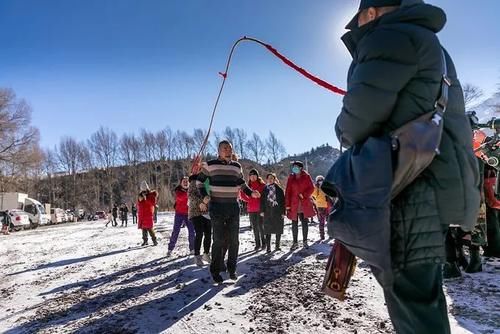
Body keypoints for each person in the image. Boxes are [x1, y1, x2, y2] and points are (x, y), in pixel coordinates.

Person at [335, 1, 480, 333]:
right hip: (430, 183)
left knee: (414, 309)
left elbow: (354, 123)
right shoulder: (432, 45)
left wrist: (342, 125)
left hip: (404, 190)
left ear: (369, 13)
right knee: (423, 300)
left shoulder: (388, 37)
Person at [197, 140, 260, 283]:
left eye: (230, 148)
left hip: (233, 206)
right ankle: (215, 270)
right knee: (218, 240)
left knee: (234, 241)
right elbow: (199, 182)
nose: (228, 150)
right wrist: (204, 196)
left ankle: (232, 269)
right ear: (218, 151)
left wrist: (251, 193)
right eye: (224, 148)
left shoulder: (237, 166)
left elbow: (241, 183)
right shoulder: (210, 165)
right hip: (216, 206)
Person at [285, 161, 315, 249]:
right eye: (293, 167)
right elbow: (287, 191)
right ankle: (295, 243)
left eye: (296, 167)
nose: (294, 168)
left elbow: (312, 188)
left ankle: (305, 241)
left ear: (301, 168)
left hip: (303, 203)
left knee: (304, 223)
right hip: (293, 203)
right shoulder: (291, 177)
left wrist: (304, 194)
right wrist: (287, 204)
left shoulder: (306, 176)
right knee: (294, 224)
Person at [189, 164, 212, 266]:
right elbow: (191, 196)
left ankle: (206, 253)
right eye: (199, 169)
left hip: (207, 211)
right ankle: (197, 256)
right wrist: (201, 202)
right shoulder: (193, 182)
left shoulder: (207, 180)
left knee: (208, 233)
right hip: (196, 211)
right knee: (199, 233)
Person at [167, 177, 195, 257]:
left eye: (187, 181)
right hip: (179, 214)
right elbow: (181, 197)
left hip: (189, 214)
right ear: (181, 183)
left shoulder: (192, 190)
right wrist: (189, 194)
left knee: (192, 231)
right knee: (176, 231)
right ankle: (170, 249)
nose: (186, 183)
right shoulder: (178, 190)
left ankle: (192, 248)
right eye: (184, 181)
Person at [240, 169, 267, 251]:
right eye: (251, 175)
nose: (253, 177)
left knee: (261, 227)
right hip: (251, 209)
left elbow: (266, 196)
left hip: (260, 209)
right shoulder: (247, 186)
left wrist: (260, 197)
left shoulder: (262, 185)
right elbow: (243, 196)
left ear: (257, 176)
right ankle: (257, 244)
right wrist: (250, 199)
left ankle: (264, 243)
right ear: (249, 177)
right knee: (254, 227)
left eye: (254, 175)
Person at [260, 173, 285, 253]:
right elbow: (262, 201)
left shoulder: (279, 189)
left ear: (274, 179)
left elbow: (282, 202)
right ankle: (268, 247)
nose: (270, 179)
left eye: (272, 178)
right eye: (269, 178)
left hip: (277, 211)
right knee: (267, 230)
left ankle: (277, 246)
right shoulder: (264, 189)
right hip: (267, 211)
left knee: (278, 228)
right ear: (267, 179)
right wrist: (262, 211)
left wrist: (283, 212)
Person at [137, 181, 158, 246]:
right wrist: (140, 200)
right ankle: (145, 241)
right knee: (143, 229)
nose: (144, 191)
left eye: (145, 190)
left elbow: (152, 203)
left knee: (149, 228)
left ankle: (154, 240)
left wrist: (146, 198)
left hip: (148, 214)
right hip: (142, 214)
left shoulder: (150, 195)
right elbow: (139, 205)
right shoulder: (140, 195)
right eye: (142, 190)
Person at [311, 175, 330, 240]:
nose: (320, 181)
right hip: (320, 206)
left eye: (321, 180)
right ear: (317, 181)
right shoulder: (316, 188)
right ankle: (322, 235)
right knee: (322, 221)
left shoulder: (326, 186)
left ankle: (330, 234)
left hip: (328, 205)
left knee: (329, 221)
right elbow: (313, 194)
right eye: (319, 180)